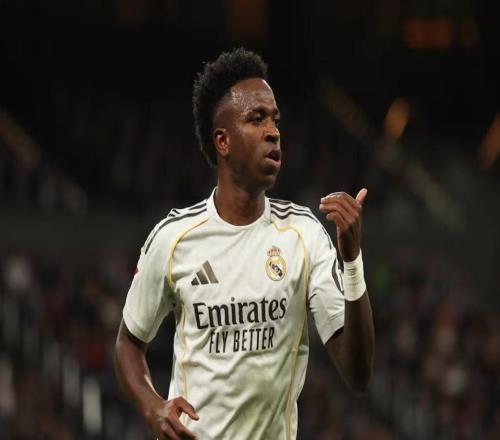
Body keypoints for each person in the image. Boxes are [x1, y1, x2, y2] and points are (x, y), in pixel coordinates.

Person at [114, 48, 375, 440]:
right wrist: (153, 408)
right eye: (257, 119)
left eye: (275, 119)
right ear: (223, 141)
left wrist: (351, 261)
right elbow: (128, 343)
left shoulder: (303, 235)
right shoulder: (173, 239)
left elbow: (358, 373)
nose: (273, 131)